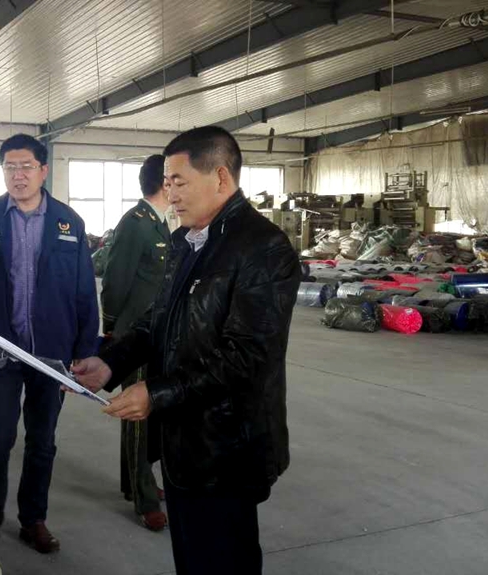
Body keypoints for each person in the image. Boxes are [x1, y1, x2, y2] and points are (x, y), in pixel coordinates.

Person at [73, 126, 301, 575]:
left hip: (227, 449)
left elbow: (247, 357)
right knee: (192, 559)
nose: (170, 194)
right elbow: (156, 320)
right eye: (167, 183)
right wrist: (110, 362)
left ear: (220, 177)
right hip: (183, 444)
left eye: (179, 181)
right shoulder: (186, 242)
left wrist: (156, 393)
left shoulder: (263, 248)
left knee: (223, 562)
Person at [0, 134, 99, 556]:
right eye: (10, 167)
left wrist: (85, 350)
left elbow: (84, 291)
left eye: (26, 166)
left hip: (52, 354)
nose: (18, 175)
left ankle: (34, 520)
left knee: (42, 441)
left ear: (43, 170)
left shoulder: (68, 223)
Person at [99, 154, 171, 532]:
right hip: (133, 335)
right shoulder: (136, 224)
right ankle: (145, 499)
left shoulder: (160, 223)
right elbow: (115, 282)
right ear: (164, 183)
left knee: (151, 412)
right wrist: (112, 328)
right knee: (138, 415)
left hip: (157, 334)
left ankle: (135, 482)